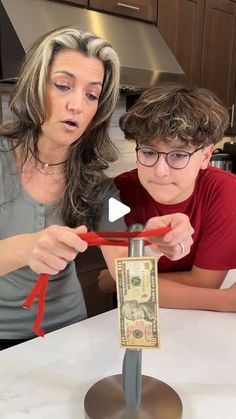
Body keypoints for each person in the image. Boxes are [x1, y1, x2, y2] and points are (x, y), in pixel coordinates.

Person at [0, 28, 193, 350]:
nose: (77, 104)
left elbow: (124, 268)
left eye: (92, 94)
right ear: (35, 87)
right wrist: (23, 250)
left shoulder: (101, 188)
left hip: (67, 333)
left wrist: (149, 245)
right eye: (63, 86)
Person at [98, 84, 236, 312]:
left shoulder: (225, 192)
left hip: (196, 320)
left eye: (179, 155)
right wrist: (223, 300)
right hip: (131, 318)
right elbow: (125, 278)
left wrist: (119, 282)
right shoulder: (114, 196)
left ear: (206, 155)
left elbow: (206, 282)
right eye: (149, 152)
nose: (160, 171)